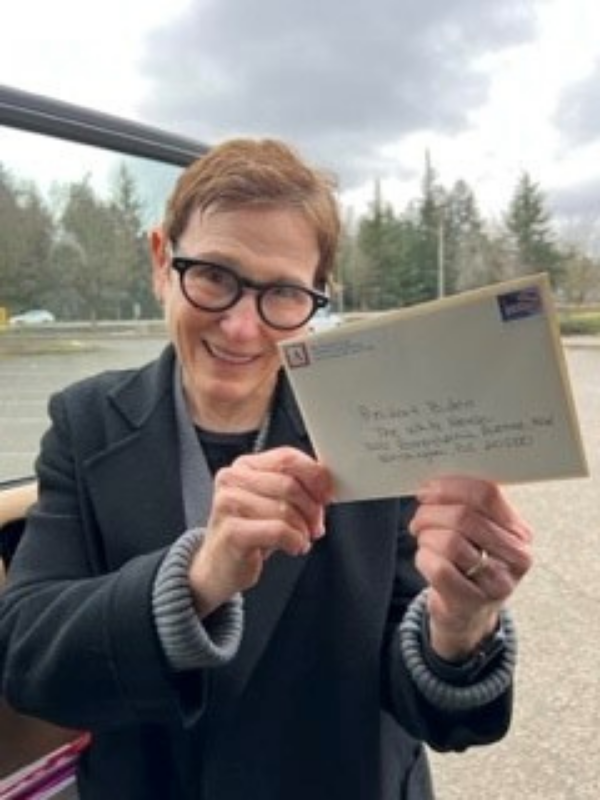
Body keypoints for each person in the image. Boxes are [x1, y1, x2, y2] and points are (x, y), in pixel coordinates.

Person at [0, 139, 533, 800]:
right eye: (213, 275)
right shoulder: (86, 423)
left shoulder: (380, 423)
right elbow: (27, 660)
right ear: (162, 260)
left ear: (317, 298)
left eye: (281, 293)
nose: (241, 327)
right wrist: (196, 581)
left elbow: (431, 709)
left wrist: (461, 626)